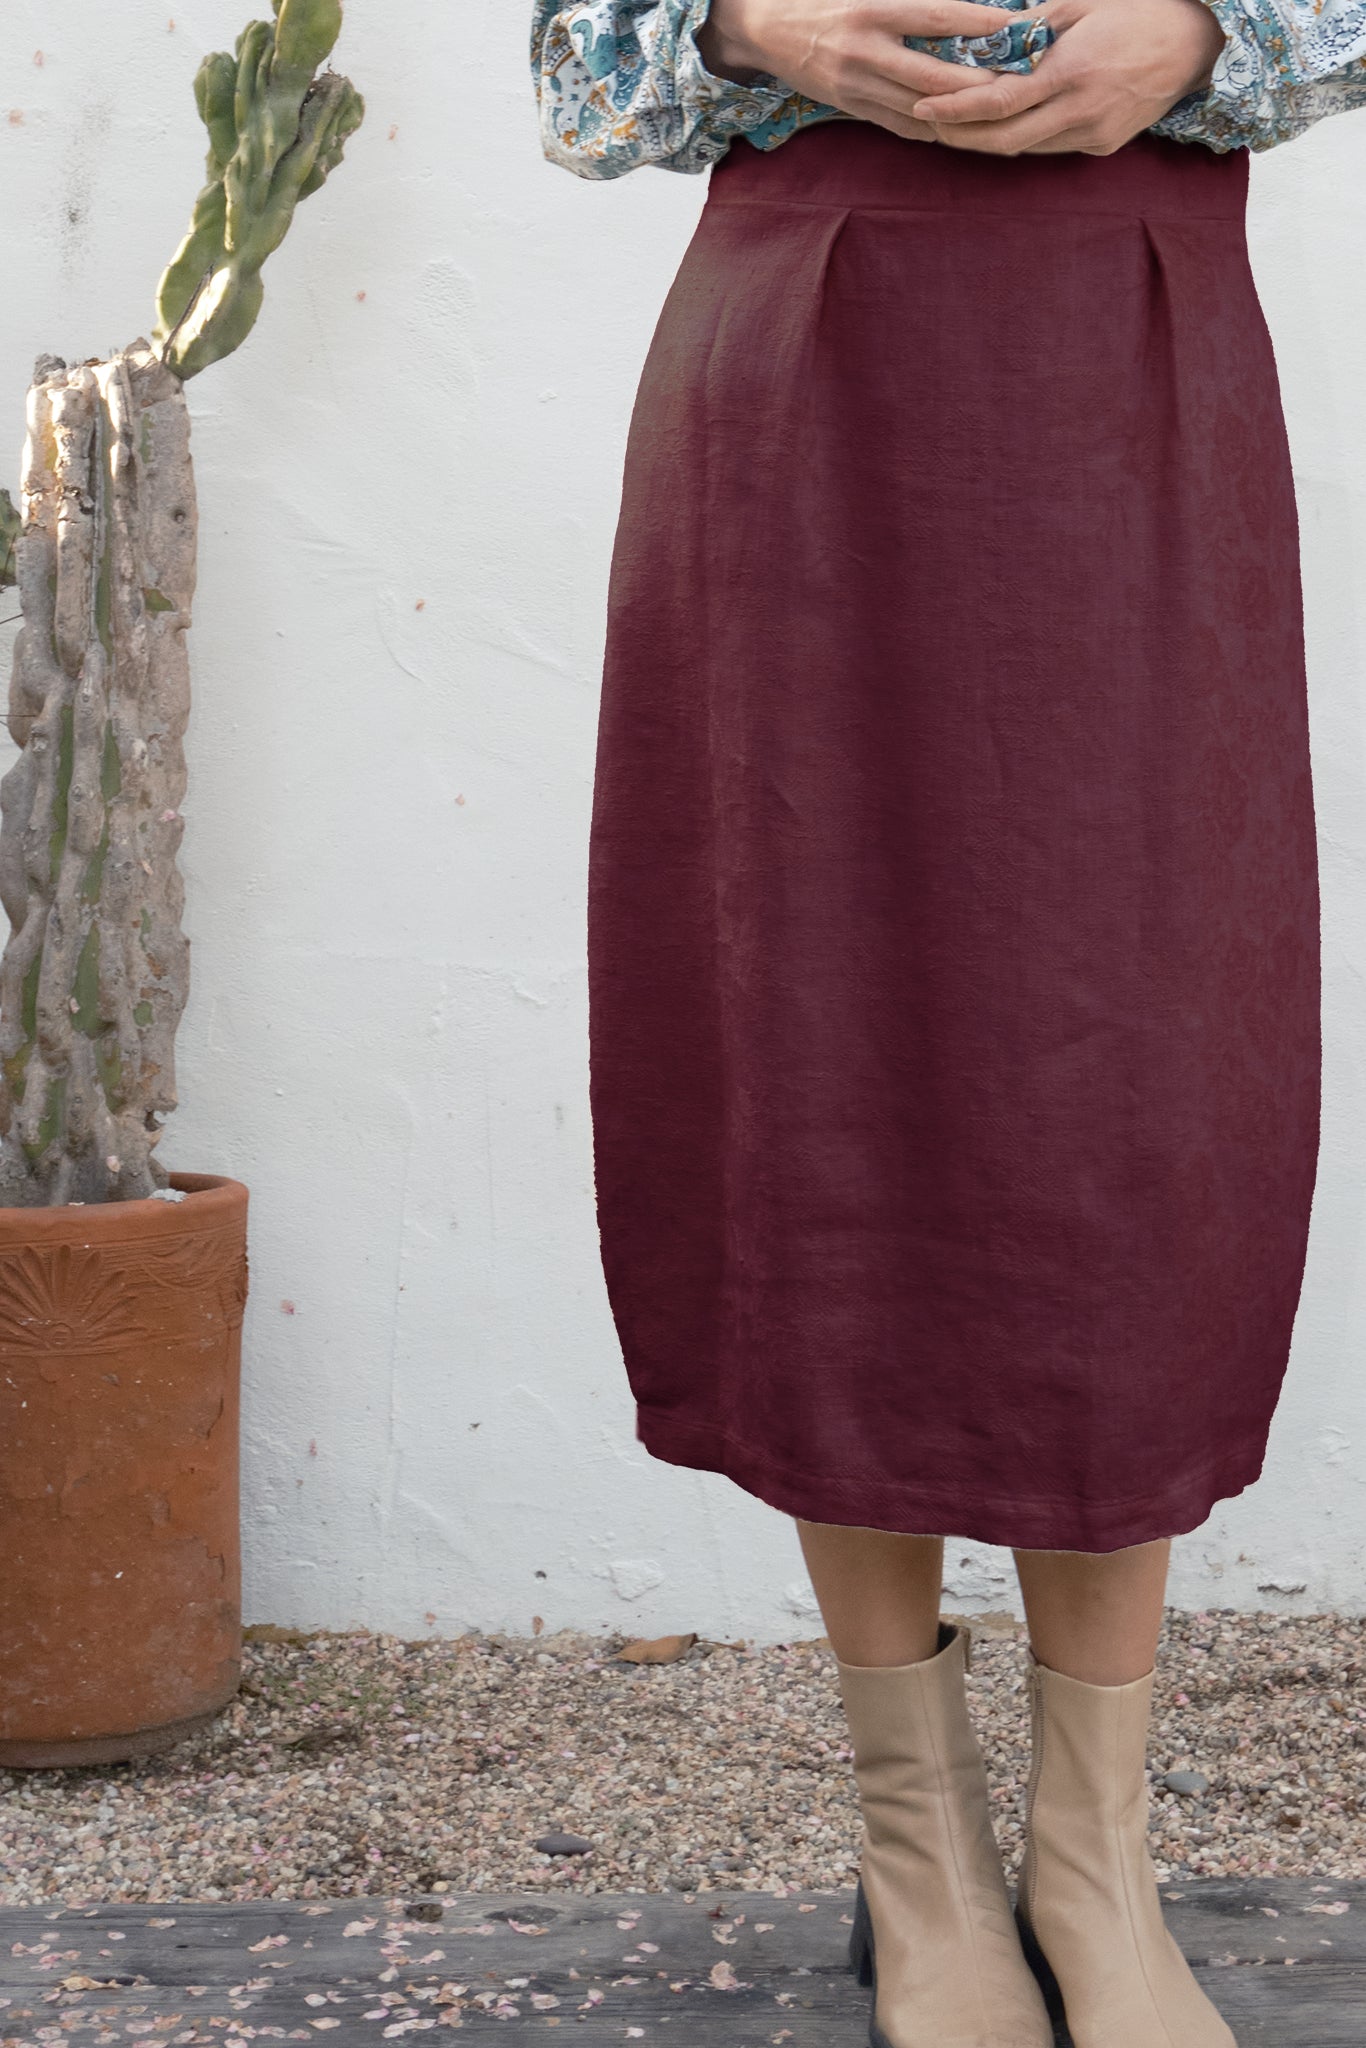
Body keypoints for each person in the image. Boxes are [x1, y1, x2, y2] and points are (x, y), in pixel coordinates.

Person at [529, 4, 1366, 2044]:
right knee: (828, 1064)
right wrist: (746, 16)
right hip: (798, 344)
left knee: (1136, 1093)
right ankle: (919, 1856)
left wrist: (1196, 32)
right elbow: (573, 64)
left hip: (1131, 330)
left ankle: (1090, 1859)